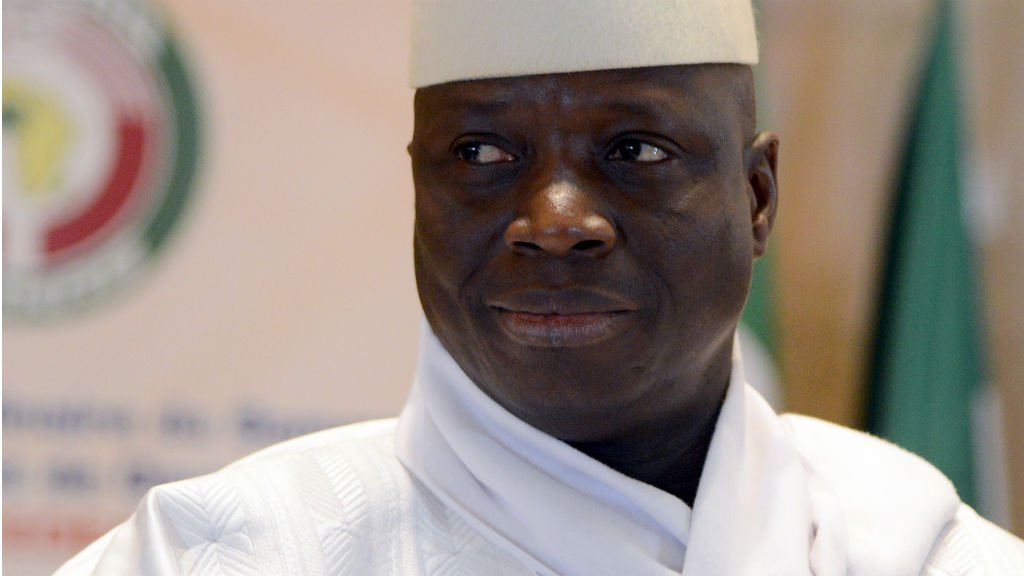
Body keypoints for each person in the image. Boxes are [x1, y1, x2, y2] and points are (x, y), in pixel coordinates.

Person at [56, 1, 1024, 574]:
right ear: (420, 189)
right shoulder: (219, 556)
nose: (555, 220)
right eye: (481, 153)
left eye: (635, 150)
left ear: (757, 197)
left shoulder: (920, 554)